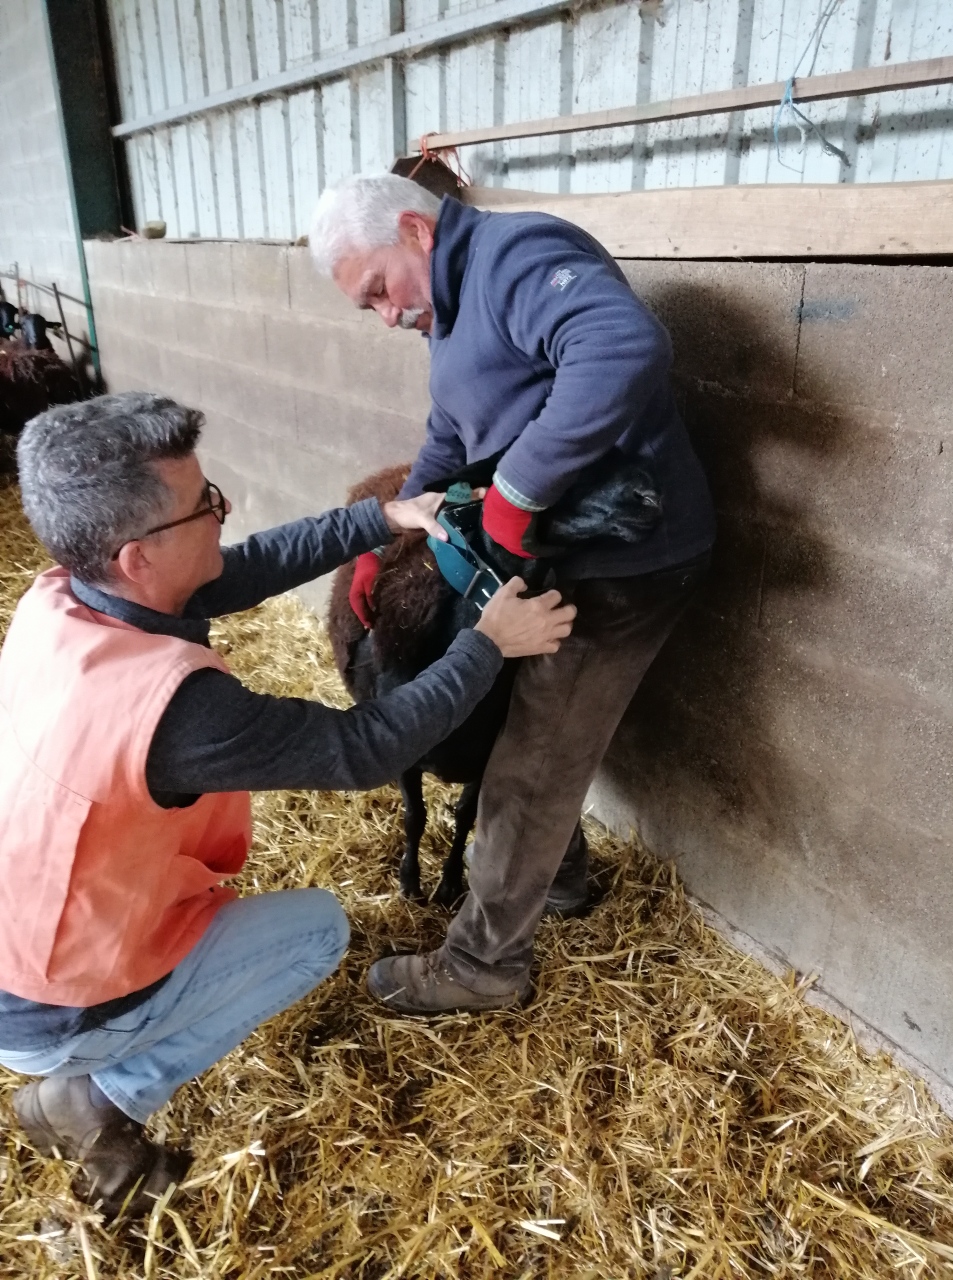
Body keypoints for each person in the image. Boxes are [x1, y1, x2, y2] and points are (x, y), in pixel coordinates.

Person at [0, 391, 574, 1217]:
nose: (222, 513)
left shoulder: (62, 598)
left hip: (26, 951)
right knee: (318, 931)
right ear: (136, 557)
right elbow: (364, 749)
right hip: (59, 1000)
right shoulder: (176, 711)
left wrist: (384, 517)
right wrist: (488, 644)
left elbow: (240, 568)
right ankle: (102, 1095)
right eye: (205, 506)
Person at [310, 173, 716, 1015]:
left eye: (381, 290)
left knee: (536, 755)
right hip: (568, 547)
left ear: (416, 230)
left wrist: (520, 488)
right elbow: (455, 428)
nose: (386, 316)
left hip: (624, 556)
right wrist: (397, 529)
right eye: (367, 308)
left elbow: (623, 348)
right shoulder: (450, 305)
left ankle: (484, 964)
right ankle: (560, 880)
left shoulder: (516, 256)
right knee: (519, 726)